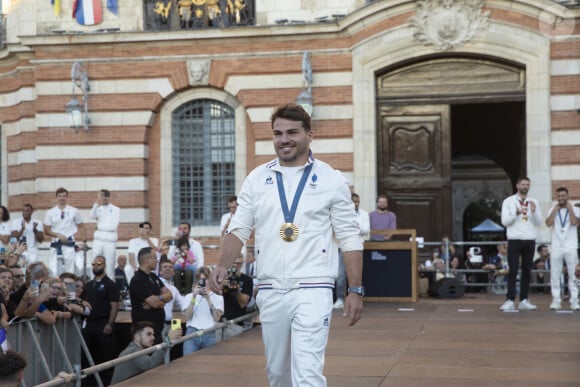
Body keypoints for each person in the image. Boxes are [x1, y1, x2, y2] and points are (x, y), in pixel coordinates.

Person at [210, 104, 364, 387]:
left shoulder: (332, 179)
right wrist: (220, 264)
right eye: (278, 133)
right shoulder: (257, 178)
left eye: (292, 132)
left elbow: (349, 237)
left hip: (314, 287)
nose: (284, 139)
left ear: (309, 135)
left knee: (307, 374)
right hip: (270, 288)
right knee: (278, 374)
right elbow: (239, 229)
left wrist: (354, 289)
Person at [500, 176, 543, 311]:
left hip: (529, 239)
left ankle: (524, 299)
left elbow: (539, 222)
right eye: (523, 184)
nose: (525, 187)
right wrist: (516, 213)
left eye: (527, 184)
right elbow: (504, 221)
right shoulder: (508, 201)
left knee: (527, 270)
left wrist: (534, 211)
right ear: (517, 185)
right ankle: (510, 300)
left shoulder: (534, 201)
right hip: (514, 239)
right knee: (512, 270)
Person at [82, 255, 119, 385]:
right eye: (94, 264)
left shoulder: (111, 285)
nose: (96, 266)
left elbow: (114, 306)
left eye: (99, 264)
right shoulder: (88, 285)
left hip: (103, 325)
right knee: (88, 356)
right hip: (89, 325)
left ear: (104, 265)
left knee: (105, 356)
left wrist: (110, 323)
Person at [110, 321, 182, 385]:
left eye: (153, 334)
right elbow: (149, 365)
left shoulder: (133, 349)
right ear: (137, 337)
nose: (153, 337)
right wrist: (168, 340)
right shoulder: (133, 350)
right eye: (149, 334)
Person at [545, 187, 580, 310]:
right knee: (555, 274)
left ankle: (574, 300)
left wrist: (570, 210)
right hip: (556, 246)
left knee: (574, 274)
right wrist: (554, 211)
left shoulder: (576, 209)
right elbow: (548, 223)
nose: (561, 198)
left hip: (571, 246)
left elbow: (575, 222)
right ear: (556, 197)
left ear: (567, 196)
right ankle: (556, 300)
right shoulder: (552, 209)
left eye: (563, 196)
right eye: (559, 196)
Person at [129, 247, 173, 343]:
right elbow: (156, 304)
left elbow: (170, 295)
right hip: (144, 332)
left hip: (157, 330)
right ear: (146, 260)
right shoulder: (138, 279)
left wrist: (159, 298)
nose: (157, 260)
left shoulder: (153, 277)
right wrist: (161, 301)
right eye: (154, 257)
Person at [334, 192, 369, 309]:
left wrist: (351, 228)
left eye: (358, 201)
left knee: (356, 275)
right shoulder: (342, 214)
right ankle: (340, 298)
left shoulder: (364, 214)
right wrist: (354, 228)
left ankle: (356, 297)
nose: (356, 204)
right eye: (354, 201)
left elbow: (366, 230)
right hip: (342, 246)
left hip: (358, 246)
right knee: (341, 273)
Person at [43, 187, 87, 276]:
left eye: (64, 196)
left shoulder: (74, 211)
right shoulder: (50, 212)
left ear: (67, 197)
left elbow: (81, 226)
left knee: (70, 269)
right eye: (60, 196)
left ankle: (69, 288)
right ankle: (56, 288)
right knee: (54, 269)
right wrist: (58, 235)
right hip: (56, 243)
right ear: (56, 197)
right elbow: (47, 230)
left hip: (69, 242)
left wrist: (84, 241)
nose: (62, 198)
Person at [182, 266, 223, 355]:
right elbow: (187, 317)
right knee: (188, 364)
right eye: (199, 280)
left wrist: (208, 299)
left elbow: (217, 318)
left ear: (210, 280)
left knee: (209, 365)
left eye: (205, 279)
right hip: (192, 333)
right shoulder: (189, 296)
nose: (203, 282)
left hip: (210, 333)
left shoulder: (218, 298)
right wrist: (194, 297)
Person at [89, 189, 120, 279]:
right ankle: (93, 285)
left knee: (109, 265)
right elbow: (92, 216)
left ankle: (110, 287)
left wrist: (99, 227)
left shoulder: (115, 209)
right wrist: (96, 203)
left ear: (109, 197)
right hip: (98, 240)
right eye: (102, 196)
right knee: (95, 263)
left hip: (110, 241)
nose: (104, 198)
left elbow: (113, 226)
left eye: (106, 196)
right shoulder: (98, 208)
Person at [221, 257, 253, 337]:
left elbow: (243, 303)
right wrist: (226, 280)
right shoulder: (224, 277)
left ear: (241, 264)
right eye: (233, 262)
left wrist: (238, 290)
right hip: (222, 322)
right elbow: (218, 294)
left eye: (238, 263)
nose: (235, 265)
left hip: (237, 322)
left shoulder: (247, 280)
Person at [157, 258, 187, 336]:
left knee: (174, 343)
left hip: (171, 322)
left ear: (173, 273)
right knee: (160, 346)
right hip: (159, 323)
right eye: (165, 266)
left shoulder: (173, 288)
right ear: (160, 272)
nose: (168, 268)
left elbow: (183, 303)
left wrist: (195, 297)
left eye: (170, 267)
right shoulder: (155, 284)